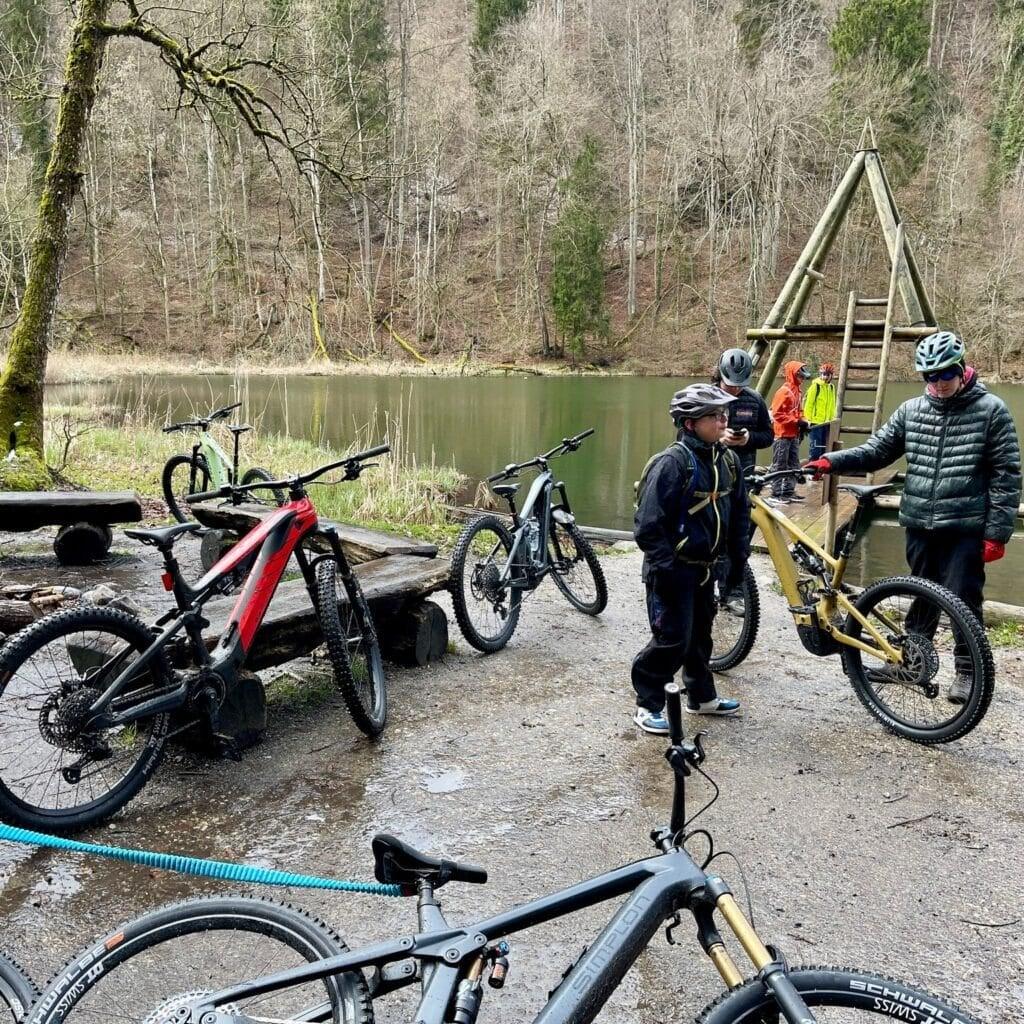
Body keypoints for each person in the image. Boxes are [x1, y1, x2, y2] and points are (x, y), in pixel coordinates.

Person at [805, 330, 1021, 703]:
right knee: (921, 592)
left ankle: (968, 672)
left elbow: (1007, 475)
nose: (938, 383)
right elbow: (877, 451)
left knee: (963, 599)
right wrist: (831, 461)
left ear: (961, 369)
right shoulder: (911, 410)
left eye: (945, 374)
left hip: (965, 525)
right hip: (919, 521)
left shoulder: (991, 411)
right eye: (929, 376)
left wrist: (997, 533)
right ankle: (911, 662)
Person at [631, 384, 750, 733]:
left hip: (706, 568)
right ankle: (648, 703)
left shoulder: (727, 461)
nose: (723, 421)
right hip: (672, 569)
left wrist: (737, 561)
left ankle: (701, 697)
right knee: (672, 639)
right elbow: (648, 526)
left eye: (723, 414)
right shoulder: (672, 463)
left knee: (700, 637)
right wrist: (667, 568)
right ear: (689, 424)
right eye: (713, 416)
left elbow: (740, 514)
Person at [715, 348, 774, 474]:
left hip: (744, 472)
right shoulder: (705, 398)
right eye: (730, 384)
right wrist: (717, 438)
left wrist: (749, 438)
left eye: (741, 384)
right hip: (712, 470)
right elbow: (685, 436)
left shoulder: (756, 399)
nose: (736, 388)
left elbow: (768, 436)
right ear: (720, 376)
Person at [768, 360, 812, 503]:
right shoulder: (783, 392)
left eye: (803, 377)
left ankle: (788, 491)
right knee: (779, 465)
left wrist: (804, 422)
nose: (802, 379)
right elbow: (777, 414)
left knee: (794, 464)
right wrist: (796, 422)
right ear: (793, 374)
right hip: (782, 435)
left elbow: (799, 411)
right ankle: (776, 493)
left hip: (793, 434)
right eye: (800, 376)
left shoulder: (797, 391)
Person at [803, 362, 836, 462]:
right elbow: (809, 404)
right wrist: (807, 419)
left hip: (826, 423)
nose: (825, 377)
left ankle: (820, 469)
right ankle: (812, 468)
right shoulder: (815, 386)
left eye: (827, 374)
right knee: (815, 449)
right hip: (815, 423)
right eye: (823, 374)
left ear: (831, 376)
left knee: (823, 448)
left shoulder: (831, 387)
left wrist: (832, 418)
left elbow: (832, 404)